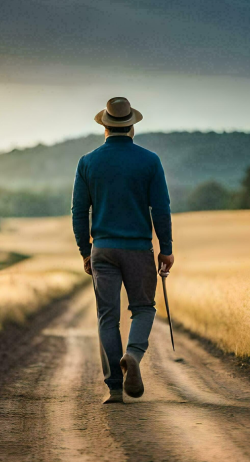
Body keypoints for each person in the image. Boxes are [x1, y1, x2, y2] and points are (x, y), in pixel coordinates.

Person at [71, 97, 174, 404]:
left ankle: (115, 388)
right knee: (143, 308)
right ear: (132, 126)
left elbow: (79, 211)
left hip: (103, 250)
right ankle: (133, 355)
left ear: (104, 126)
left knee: (107, 317)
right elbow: (161, 208)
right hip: (138, 249)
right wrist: (166, 249)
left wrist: (85, 251)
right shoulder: (150, 161)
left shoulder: (87, 162)